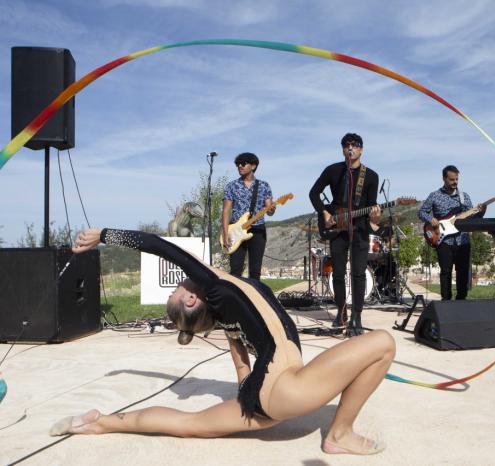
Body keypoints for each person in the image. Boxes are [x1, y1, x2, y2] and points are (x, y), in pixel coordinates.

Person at [50, 228, 395, 456]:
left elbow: (241, 361)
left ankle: (99, 421)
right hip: (285, 388)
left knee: (189, 424)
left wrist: (247, 387)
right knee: (382, 343)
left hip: (266, 398)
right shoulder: (216, 288)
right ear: (189, 301)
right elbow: (161, 246)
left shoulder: (227, 309)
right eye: (179, 290)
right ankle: (339, 434)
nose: (183, 282)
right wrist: (106, 235)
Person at [309, 133, 380, 336]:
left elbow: (370, 206)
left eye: (355, 145)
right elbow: (313, 193)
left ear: (361, 150)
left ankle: (357, 315)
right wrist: (325, 213)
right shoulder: (333, 170)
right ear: (343, 149)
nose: (351, 148)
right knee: (338, 273)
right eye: (347, 145)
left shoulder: (372, 176)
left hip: (359, 230)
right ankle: (341, 313)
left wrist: (374, 216)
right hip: (337, 229)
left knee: (358, 273)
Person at [418, 165, 486, 300]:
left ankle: (461, 299)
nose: (455, 182)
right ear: (444, 179)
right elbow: (421, 212)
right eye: (451, 179)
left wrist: (481, 212)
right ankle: (446, 301)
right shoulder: (434, 196)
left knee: (462, 272)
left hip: (463, 240)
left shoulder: (464, 197)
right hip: (443, 240)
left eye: (456, 179)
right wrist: (431, 219)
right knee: (446, 272)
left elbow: (471, 220)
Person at [221, 152, 275, 281]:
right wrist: (225, 232)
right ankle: (235, 299)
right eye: (238, 164)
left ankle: (254, 298)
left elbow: (269, 211)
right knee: (235, 270)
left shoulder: (263, 186)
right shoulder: (231, 186)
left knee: (255, 271)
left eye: (243, 163)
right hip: (236, 231)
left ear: (253, 166)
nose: (240, 166)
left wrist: (272, 208)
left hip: (258, 230)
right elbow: (226, 210)